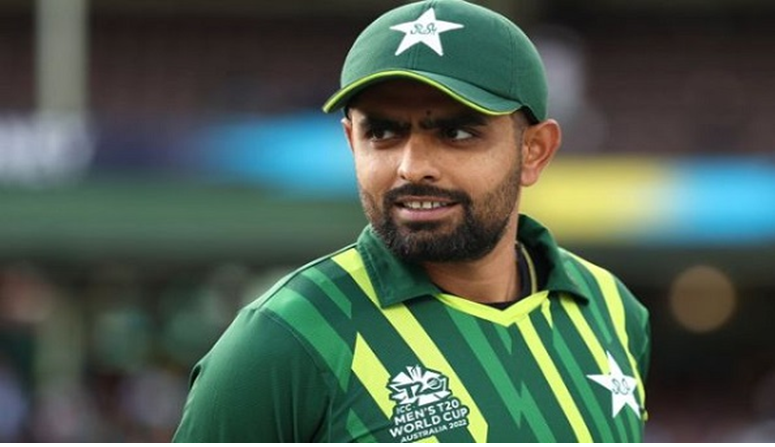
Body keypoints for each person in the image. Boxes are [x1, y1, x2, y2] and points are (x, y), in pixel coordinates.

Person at [173, 0, 650, 442]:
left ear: (534, 151)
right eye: (382, 132)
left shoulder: (614, 311)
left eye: (457, 133)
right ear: (351, 143)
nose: (412, 167)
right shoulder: (285, 336)